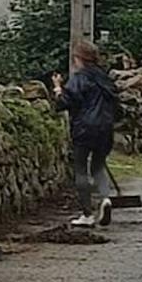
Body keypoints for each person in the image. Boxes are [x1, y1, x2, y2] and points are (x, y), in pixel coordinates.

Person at [53, 40, 118, 228]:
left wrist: (58, 88)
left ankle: (87, 214)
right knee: (98, 166)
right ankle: (105, 199)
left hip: (84, 128)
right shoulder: (104, 78)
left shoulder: (79, 78)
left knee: (80, 169)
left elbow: (64, 102)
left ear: (78, 58)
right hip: (105, 127)